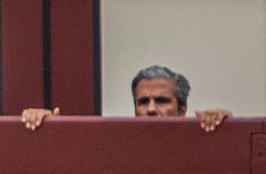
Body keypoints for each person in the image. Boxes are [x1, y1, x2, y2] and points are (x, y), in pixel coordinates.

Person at [22, 65, 231, 132]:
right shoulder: (115, 149)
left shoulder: (198, 146)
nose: (151, 109)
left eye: (161, 101)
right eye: (143, 102)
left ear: (182, 109)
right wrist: (47, 128)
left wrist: (226, 127)